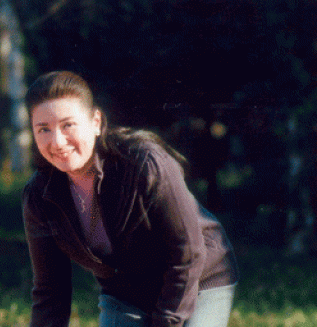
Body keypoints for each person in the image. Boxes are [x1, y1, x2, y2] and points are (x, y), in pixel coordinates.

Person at [22, 71, 239, 327]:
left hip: (199, 277)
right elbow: (51, 290)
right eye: (43, 129)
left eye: (68, 125)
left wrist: (165, 322)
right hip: (127, 293)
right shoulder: (39, 195)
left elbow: (188, 254)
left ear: (95, 122)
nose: (57, 141)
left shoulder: (144, 162)